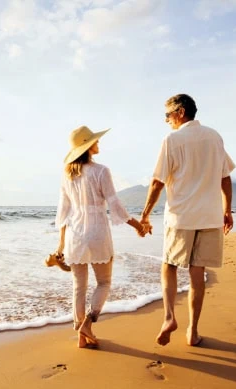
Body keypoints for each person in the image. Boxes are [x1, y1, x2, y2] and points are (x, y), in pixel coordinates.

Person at [140, 94, 235, 347]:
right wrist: (228, 211)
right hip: (210, 216)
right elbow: (225, 177)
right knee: (197, 272)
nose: (166, 120)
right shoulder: (214, 136)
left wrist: (145, 214)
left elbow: (157, 181)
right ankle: (192, 332)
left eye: (168, 115)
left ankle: (170, 317)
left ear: (180, 112)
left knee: (169, 266)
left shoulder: (172, 139)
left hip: (181, 216)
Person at [55, 125, 148, 349]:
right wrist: (137, 225)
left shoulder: (67, 175)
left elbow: (63, 212)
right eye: (95, 141)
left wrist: (60, 245)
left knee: (78, 287)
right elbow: (115, 205)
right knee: (104, 282)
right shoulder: (101, 171)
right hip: (97, 232)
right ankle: (89, 322)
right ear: (88, 146)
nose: (99, 143)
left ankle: (81, 336)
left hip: (75, 235)